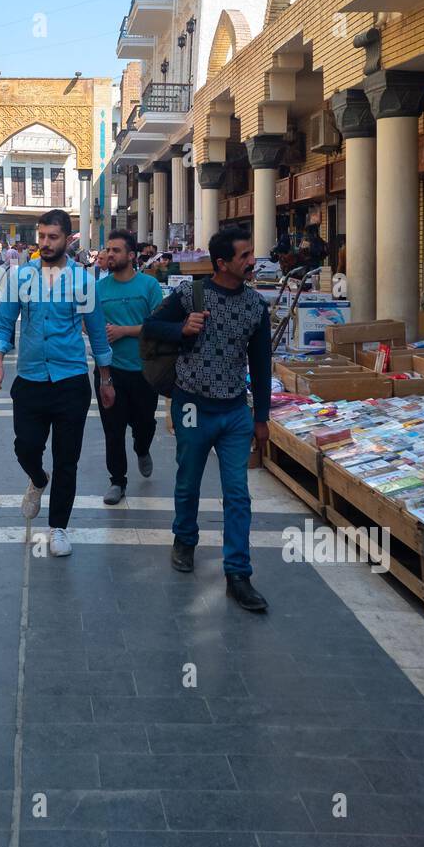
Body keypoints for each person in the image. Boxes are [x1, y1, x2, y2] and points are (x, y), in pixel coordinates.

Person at [143, 225, 271, 610]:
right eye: (245, 256)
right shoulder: (190, 294)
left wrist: (261, 417)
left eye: (251, 254)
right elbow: (152, 327)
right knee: (188, 481)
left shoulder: (255, 306)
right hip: (192, 406)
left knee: (238, 494)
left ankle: (238, 573)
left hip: (234, 411)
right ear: (222, 263)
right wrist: (182, 327)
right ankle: (184, 539)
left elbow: (261, 364)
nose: (252, 261)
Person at [0, 209, 113, 558]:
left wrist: (106, 379)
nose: (44, 243)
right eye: (41, 236)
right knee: (25, 447)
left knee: (67, 459)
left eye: (52, 237)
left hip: (71, 380)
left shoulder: (83, 281)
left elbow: (98, 334)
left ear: (67, 239)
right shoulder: (19, 277)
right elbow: (3, 324)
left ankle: (58, 526)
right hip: (29, 379)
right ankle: (38, 479)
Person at [95, 230, 163, 505]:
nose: (110, 255)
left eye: (116, 250)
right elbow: (91, 323)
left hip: (145, 370)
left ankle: (142, 447)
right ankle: (117, 481)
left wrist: (124, 331)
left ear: (132, 256)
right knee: (113, 429)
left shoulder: (149, 286)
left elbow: (159, 326)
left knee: (144, 423)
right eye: (108, 250)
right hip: (111, 370)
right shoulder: (99, 288)